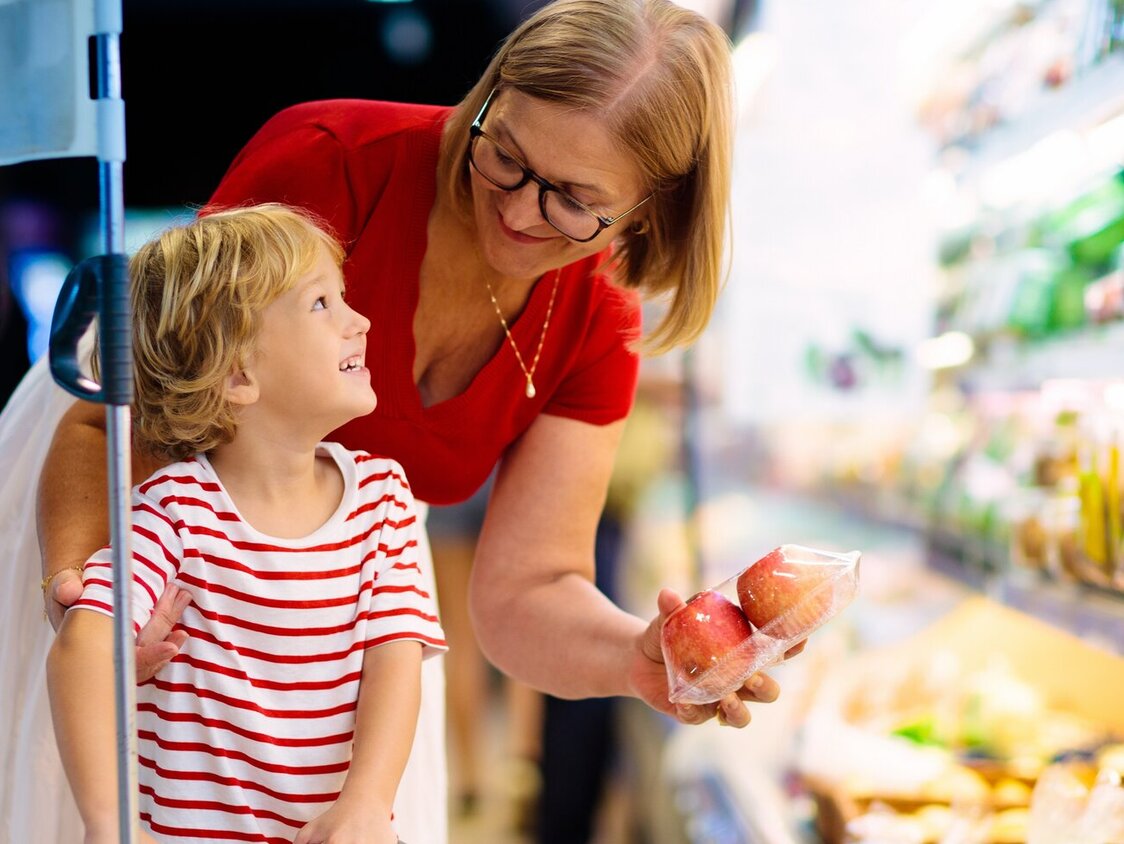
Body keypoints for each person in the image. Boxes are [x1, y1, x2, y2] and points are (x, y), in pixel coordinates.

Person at [28, 2, 801, 841]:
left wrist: (635, 656)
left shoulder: (598, 319)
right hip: (122, 541)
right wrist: (86, 603)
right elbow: (115, 422)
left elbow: (527, 590)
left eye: (574, 201)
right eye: (505, 153)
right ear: (489, 95)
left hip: (337, 677)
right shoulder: (331, 163)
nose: (518, 209)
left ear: (651, 209)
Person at [46, 204, 446, 843]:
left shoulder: (382, 496)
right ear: (237, 373)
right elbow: (82, 644)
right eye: (322, 304)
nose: (360, 321)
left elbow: (395, 655)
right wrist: (109, 823)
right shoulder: (174, 508)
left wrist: (368, 803)